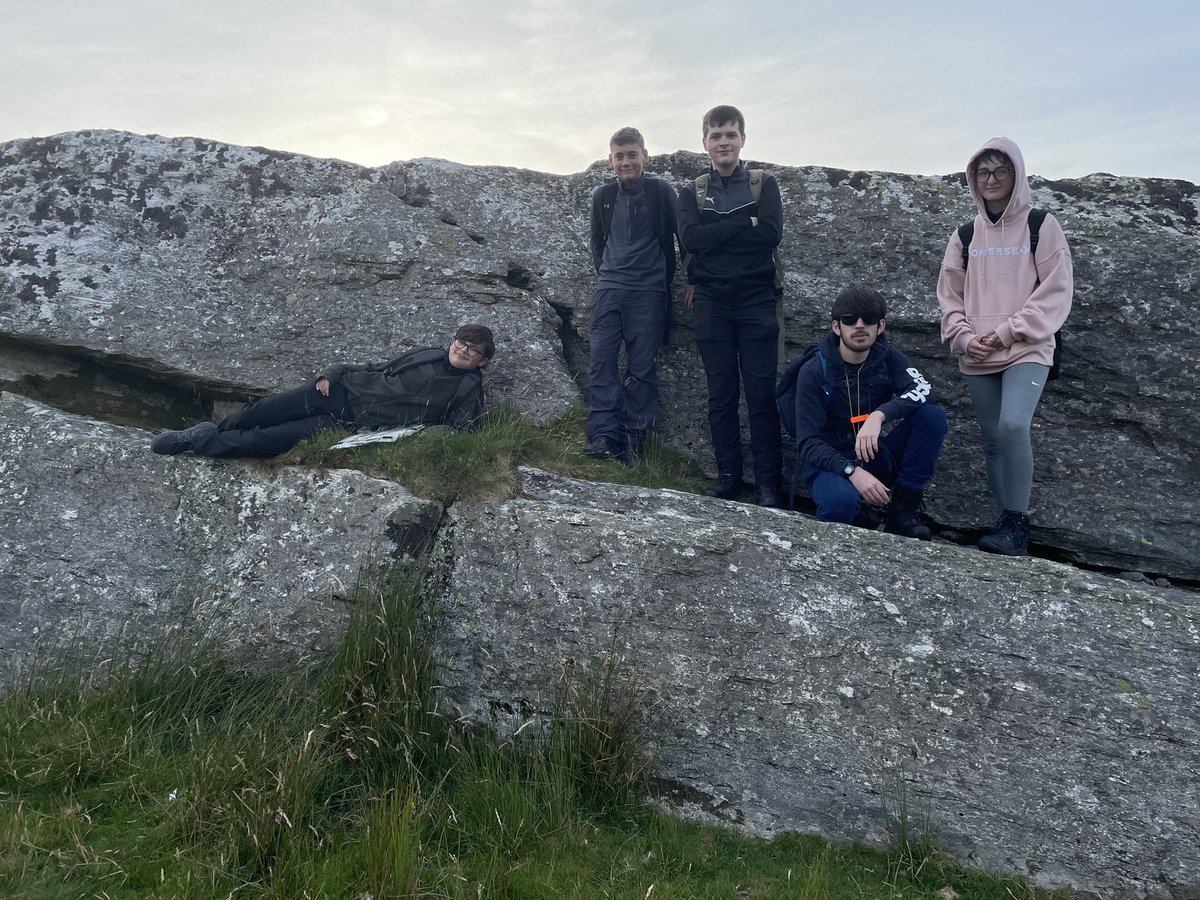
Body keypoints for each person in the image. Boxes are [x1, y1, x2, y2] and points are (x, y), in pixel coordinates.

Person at [937, 137, 1072, 556]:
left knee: (1014, 425)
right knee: (993, 440)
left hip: (1027, 346)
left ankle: (1017, 522)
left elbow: (1055, 290)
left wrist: (1008, 331)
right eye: (983, 172)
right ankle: (1005, 526)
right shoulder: (964, 235)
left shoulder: (1041, 225)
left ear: (1017, 174)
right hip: (978, 350)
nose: (992, 179)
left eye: (1001, 170)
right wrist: (962, 337)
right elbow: (949, 294)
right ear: (973, 179)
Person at [150, 324, 495, 458]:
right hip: (337, 392)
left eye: (473, 350)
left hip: (350, 426)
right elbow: (374, 369)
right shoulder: (426, 354)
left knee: (266, 440)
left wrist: (417, 432)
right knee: (264, 410)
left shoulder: (467, 389)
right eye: (461, 342)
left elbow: (461, 431)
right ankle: (206, 431)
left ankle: (200, 442)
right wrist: (333, 372)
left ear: (481, 362)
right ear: (452, 341)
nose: (463, 350)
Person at [677, 105, 784, 506]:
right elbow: (690, 240)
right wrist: (744, 225)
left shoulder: (763, 184)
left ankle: (769, 485)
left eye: (730, 134)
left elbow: (771, 234)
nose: (723, 141)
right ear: (705, 142)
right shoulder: (694, 191)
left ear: (742, 139)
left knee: (760, 394)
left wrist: (715, 233)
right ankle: (728, 478)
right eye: (716, 135)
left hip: (757, 300)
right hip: (711, 302)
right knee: (720, 393)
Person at [786, 285, 946, 539]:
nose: (860, 326)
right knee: (838, 506)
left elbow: (924, 391)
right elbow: (808, 442)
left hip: (874, 454)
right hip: (830, 463)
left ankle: (902, 512)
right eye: (850, 320)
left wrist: (879, 415)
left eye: (868, 319)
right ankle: (860, 512)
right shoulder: (814, 371)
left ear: (880, 326)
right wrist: (852, 472)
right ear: (837, 327)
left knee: (932, 416)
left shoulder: (888, 358)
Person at [585, 126, 679, 466]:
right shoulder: (603, 196)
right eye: (619, 156)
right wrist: (609, 274)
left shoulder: (661, 192)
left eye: (632, 155)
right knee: (601, 361)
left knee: (641, 367)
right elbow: (598, 243)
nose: (626, 162)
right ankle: (603, 435)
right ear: (610, 161)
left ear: (645, 156)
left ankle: (633, 440)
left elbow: (683, 237)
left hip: (649, 291)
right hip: (610, 289)